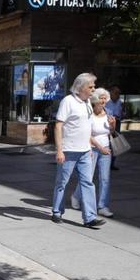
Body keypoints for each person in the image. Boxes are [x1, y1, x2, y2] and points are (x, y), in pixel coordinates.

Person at [51, 73, 105, 228]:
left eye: (94, 86)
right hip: (68, 151)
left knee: (88, 183)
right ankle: (56, 211)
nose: (94, 89)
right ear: (81, 87)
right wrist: (59, 150)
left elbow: (86, 128)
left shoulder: (87, 102)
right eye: (91, 86)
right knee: (62, 182)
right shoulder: (68, 101)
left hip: (85, 151)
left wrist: (89, 147)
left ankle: (89, 218)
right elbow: (58, 126)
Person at [71, 88, 115, 217]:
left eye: (104, 98)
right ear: (95, 100)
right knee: (87, 177)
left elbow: (112, 133)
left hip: (106, 149)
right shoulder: (88, 113)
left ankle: (102, 206)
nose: (103, 101)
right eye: (100, 98)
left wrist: (112, 126)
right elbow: (87, 134)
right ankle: (76, 196)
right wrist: (99, 147)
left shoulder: (109, 112)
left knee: (105, 179)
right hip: (91, 149)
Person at [104, 86, 123, 170]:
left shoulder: (119, 102)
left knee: (116, 144)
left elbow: (120, 112)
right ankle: (106, 163)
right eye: (116, 93)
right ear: (111, 93)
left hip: (117, 123)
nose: (118, 95)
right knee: (108, 144)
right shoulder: (107, 102)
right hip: (108, 124)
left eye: (119, 93)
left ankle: (112, 163)